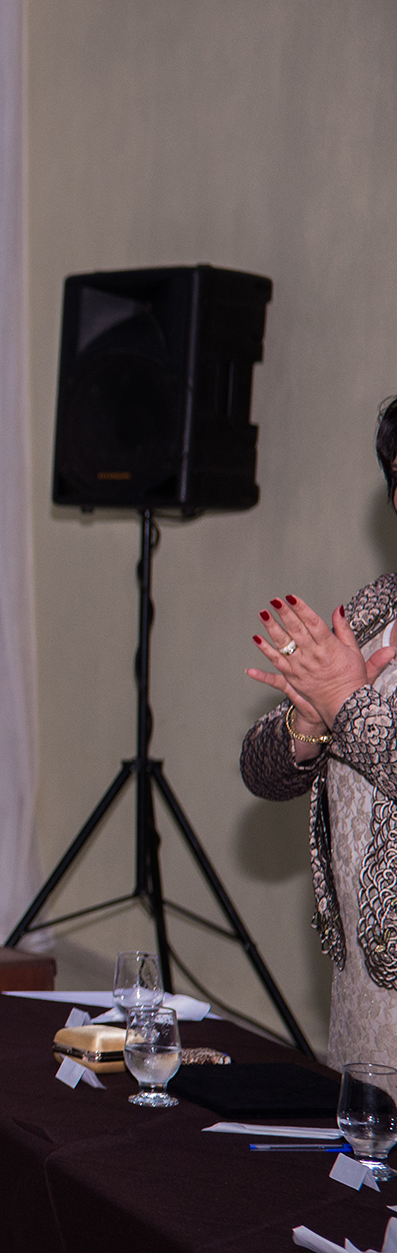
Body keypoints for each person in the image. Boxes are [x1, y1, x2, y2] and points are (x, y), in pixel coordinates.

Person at [243, 398, 397, 1069]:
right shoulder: (374, 610)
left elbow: (354, 712)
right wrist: (307, 723)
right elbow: (260, 770)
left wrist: (345, 704)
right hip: (360, 993)